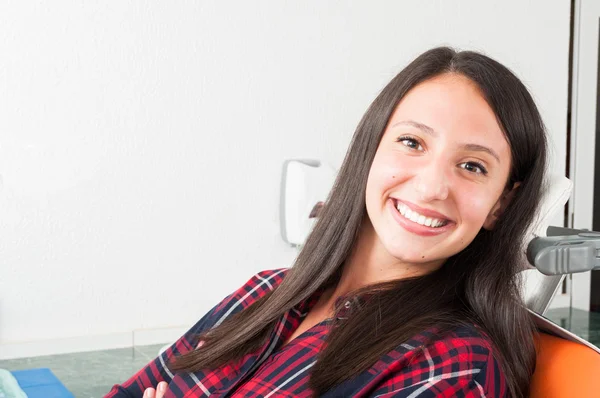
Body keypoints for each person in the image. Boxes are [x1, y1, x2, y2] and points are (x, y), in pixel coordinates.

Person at [105, 46, 547, 398]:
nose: (432, 186)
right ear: (369, 150)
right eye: (411, 142)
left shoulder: (454, 366)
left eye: (472, 166)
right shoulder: (263, 293)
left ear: (500, 206)